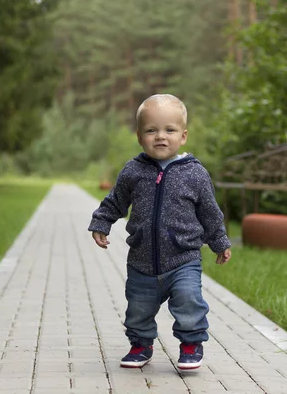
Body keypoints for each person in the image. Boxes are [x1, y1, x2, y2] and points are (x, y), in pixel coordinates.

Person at [88, 93, 232, 370]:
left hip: (183, 258)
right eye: (151, 130)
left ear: (184, 136)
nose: (160, 137)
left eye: (169, 130)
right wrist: (101, 223)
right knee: (138, 308)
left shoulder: (195, 173)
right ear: (139, 136)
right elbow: (115, 201)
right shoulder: (133, 171)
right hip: (142, 260)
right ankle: (141, 345)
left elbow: (210, 213)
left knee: (189, 301)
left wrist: (219, 241)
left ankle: (191, 344)